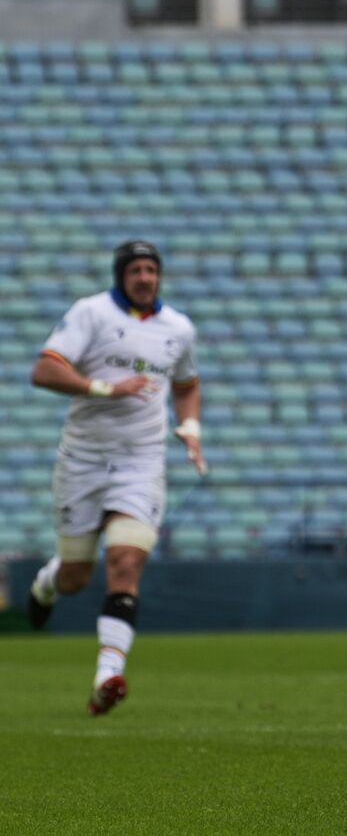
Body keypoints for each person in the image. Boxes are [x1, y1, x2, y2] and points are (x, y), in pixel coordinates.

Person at [26, 240, 205, 715]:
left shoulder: (178, 328)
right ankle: (48, 581)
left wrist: (190, 428)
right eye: (136, 270)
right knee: (76, 576)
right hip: (82, 460)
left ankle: (108, 673)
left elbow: (186, 384)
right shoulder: (92, 313)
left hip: (141, 463)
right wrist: (106, 386)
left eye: (151, 269)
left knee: (126, 562)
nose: (145, 277)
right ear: (121, 275)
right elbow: (44, 370)